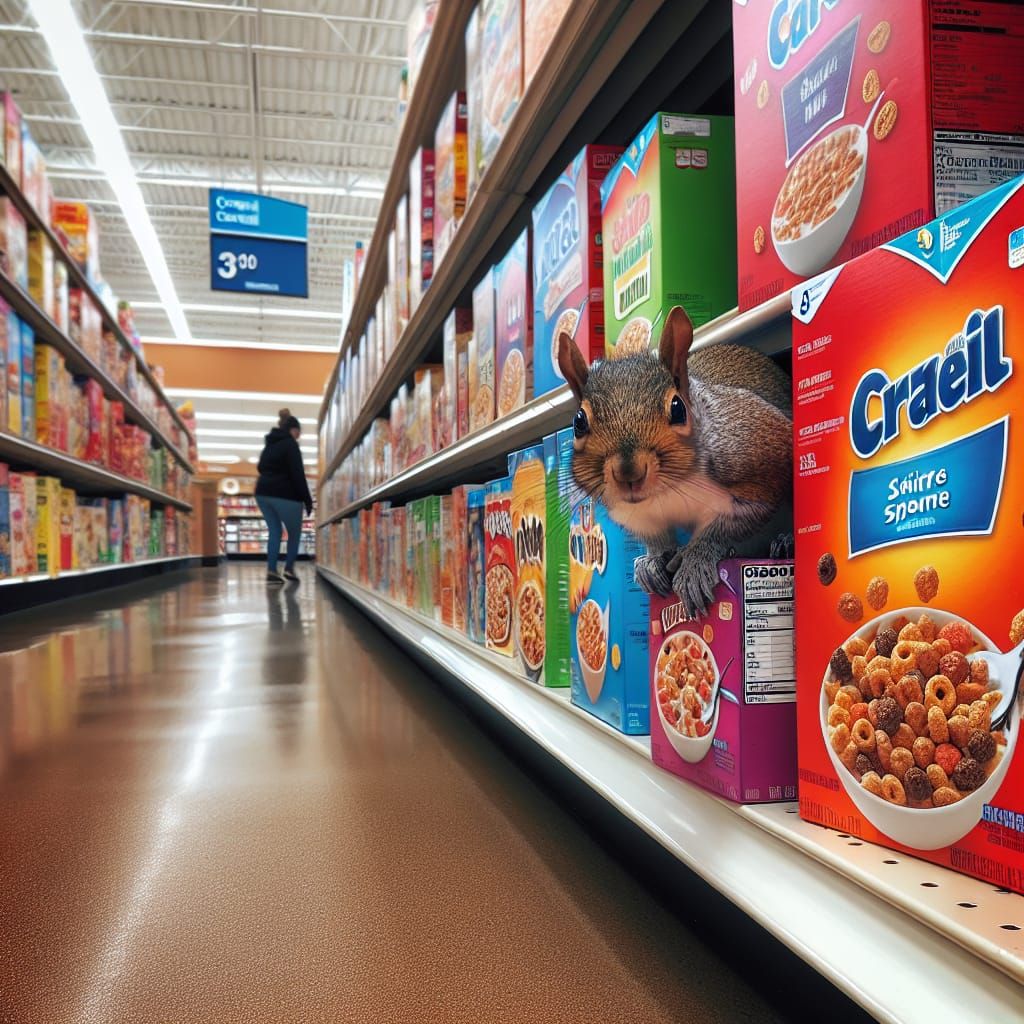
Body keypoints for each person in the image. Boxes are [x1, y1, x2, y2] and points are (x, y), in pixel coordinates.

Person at [255, 409, 313, 584]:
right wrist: (307, 500)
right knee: (294, 534)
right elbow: (297, 474)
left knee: (275, 531)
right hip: (286, 496)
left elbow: (260, 467)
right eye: (298, 432)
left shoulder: (270, 444)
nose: (299, 436)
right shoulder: (290, 445)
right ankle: (288, 569)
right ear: (293, 430)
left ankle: (272, 571)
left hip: (263, 493)